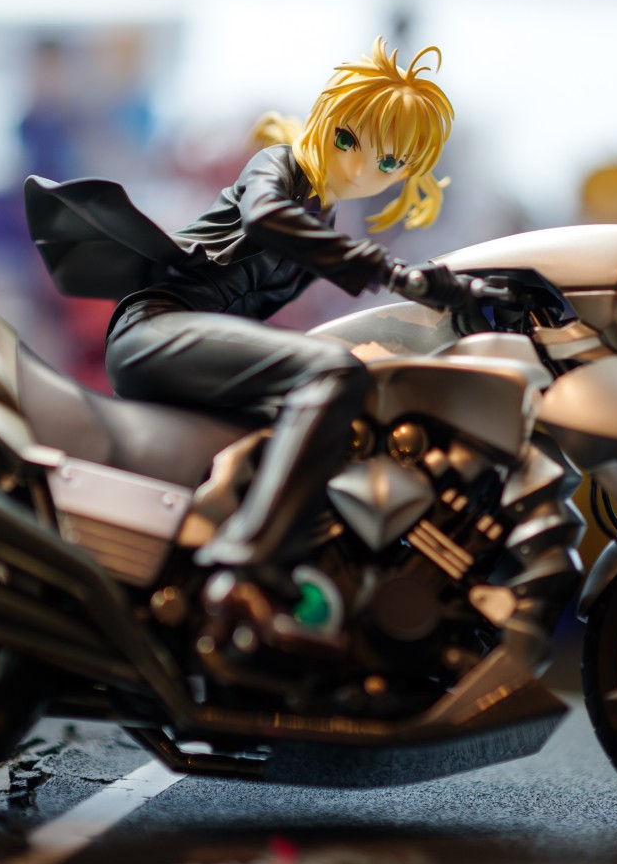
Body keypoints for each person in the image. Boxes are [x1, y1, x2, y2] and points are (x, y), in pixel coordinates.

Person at [25, 38, 478, 604]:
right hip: (155, 328)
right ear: (326, 120)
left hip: (190, 340)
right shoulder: (279, 166)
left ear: (407, 175)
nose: (359, 165)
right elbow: (264, 216)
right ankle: (253, 554)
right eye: (348, 139)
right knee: (333, 374)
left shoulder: (323, 216)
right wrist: (390, 271)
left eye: (387, 163)